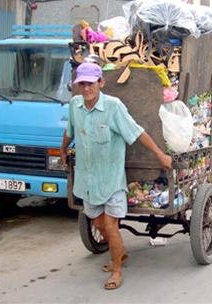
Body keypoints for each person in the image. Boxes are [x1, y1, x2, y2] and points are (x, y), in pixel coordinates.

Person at [60, 62, 172, 290]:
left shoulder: (113, 107)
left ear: (101, 83)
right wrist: (62, 149)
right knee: (100, 224)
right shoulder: (74, 105)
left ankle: (116, 269)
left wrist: (161, 155)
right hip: (88, 180)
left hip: (111, 180)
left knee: (110, 226)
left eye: (90, 83)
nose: (86, 88)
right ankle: (120, 253)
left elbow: (137, 132)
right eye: (82, 83)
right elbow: (70, 131)